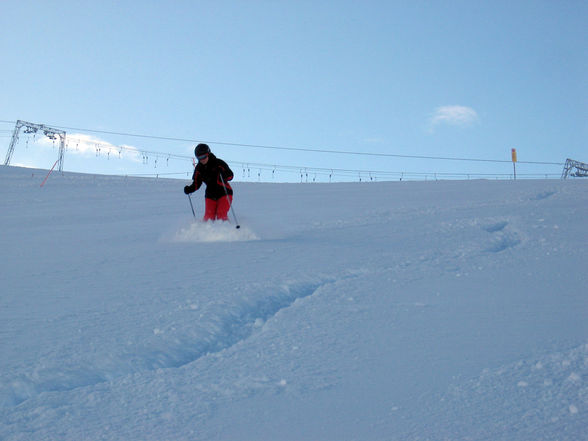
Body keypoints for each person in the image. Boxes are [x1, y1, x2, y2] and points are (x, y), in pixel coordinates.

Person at [184, 143, 234, 222]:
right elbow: (197, 183)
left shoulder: (219, 163)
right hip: (210, 194)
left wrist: (223, 174)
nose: (202, 160)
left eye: (204, 156)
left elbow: (230, 176)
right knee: (208, 218)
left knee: (221, 214)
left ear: (208, 154)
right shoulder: (199, 168)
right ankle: (207, 233)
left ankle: (227, 231)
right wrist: (190, 189)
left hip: (224, 192)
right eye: (199, 158)